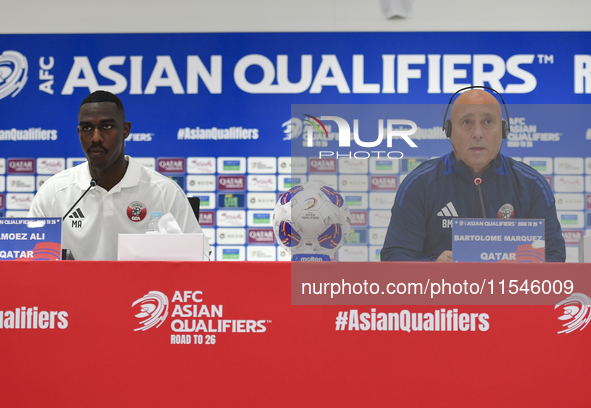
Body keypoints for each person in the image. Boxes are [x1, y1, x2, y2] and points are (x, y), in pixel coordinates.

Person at [381, 88, 565, 262]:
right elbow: (394, 256)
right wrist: (433, 267)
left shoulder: (531, 185)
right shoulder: (420, 183)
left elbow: (553, 257)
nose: (478, 133)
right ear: (449, 132)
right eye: (467, 122)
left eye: (488, 122)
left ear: (503, 131)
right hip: (440, 292)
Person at [28, 90, 210, 260]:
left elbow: (201, 259)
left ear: (125, 130)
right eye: (87, 128)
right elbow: (29, 259)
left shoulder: (163, 192)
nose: (96, 137)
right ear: (78, 133)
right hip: (71, 293)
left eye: (106, 126)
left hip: (144, 294)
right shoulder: (53, 193)